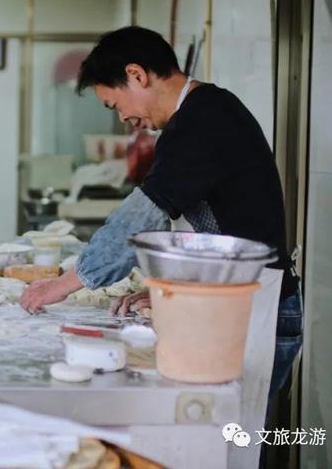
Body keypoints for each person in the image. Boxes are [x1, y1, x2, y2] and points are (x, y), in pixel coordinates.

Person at [19, 26, 302, 396]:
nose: (122, 118)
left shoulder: (204, 119)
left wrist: (65, 284)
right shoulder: (200, 115)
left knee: (232, 439)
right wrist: (173, 291)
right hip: (233, 302)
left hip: (255, 309)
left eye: (115, 104)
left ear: (136, 75)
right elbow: (214, 232)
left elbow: (142, 217)